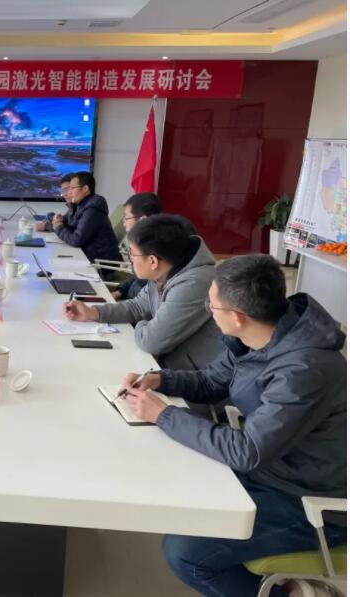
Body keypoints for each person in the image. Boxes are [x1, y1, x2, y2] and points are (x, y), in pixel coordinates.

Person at [120, 254, 346, 597]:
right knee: (174, 482)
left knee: (184, 553)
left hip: (310, 501)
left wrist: (163, 415)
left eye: (212, 306)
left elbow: (247, 451)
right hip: (271, 470)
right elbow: (212, 381)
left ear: (237, 316)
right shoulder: (259, 336)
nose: (209, 312)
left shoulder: (303, 370)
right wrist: (160, 380)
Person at [64, 214, 223, 370]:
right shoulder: (167, 268)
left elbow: (151, 341)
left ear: (153, 261)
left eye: (132, 253)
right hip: (162, 363)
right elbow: (138, 306)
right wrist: (94, 312)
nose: (131, 259)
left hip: (192, 375)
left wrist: (144, 323)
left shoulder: (194, 284)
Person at [51, 171, 121, 267]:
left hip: (102, 264)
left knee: (56, 265)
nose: (69, 192)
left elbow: (76, 240)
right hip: (88, 256)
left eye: (72, 188)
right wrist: (57, 222)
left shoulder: (93, 209)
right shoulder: (79, 205)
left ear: (85, 189)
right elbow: (67, 224)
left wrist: (58, 227)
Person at [111, 192, 163, 301]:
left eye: (126, 218)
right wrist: (120, 291)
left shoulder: (157, 250)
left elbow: (144, 304)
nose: (124, 223)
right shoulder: (142, 242)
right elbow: (139, 278)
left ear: (142, 220)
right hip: (131, 300)